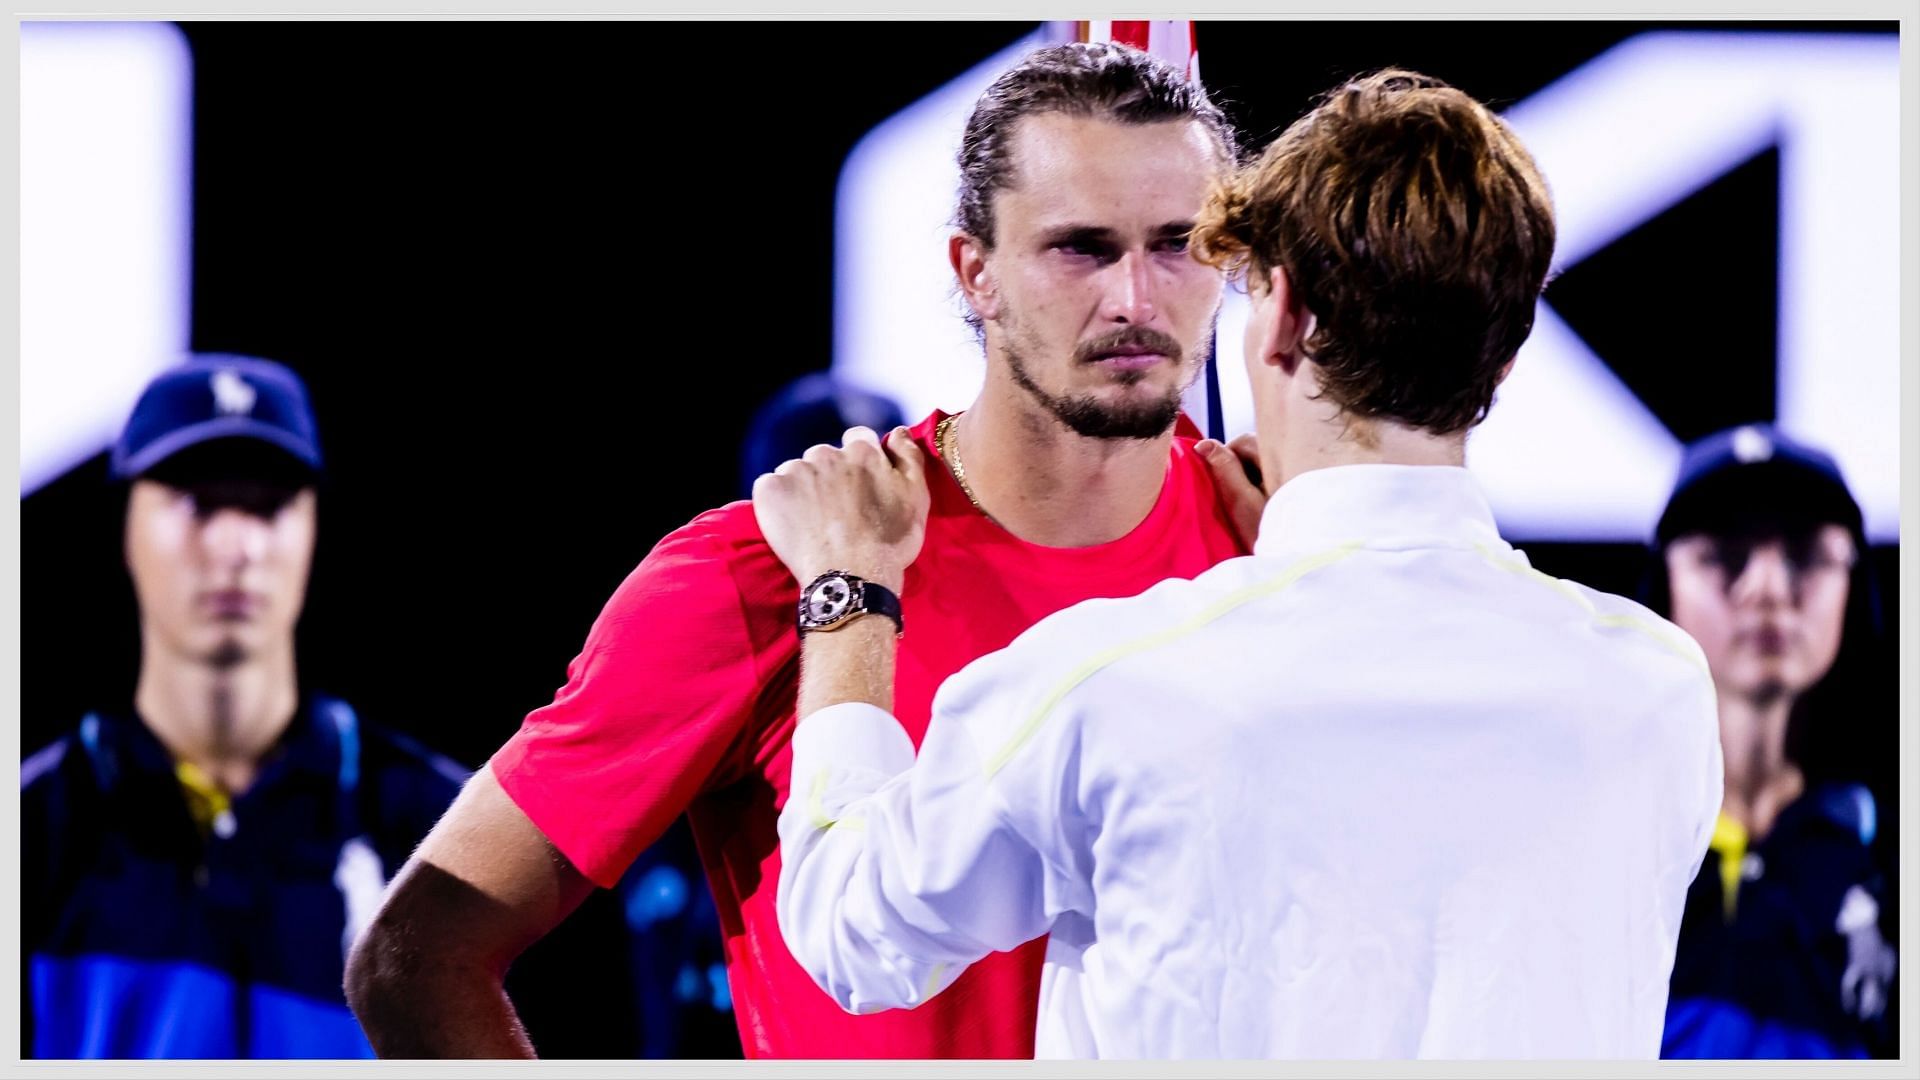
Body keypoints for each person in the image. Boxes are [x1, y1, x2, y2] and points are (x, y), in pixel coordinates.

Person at [755, 69, 1723, 1058]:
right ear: (1508, 354)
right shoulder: (1659, 692)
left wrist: (850, 588)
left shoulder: (1111, 684)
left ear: (1286, 314)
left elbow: (849, 931)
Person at [345, 41, 1254, 1059]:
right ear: (976, 273)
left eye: (1179, 243)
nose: (1136, 299)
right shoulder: (765, 571)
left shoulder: (1275, 553)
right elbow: (417, 955)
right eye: (1081, 247)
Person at [22, 355, 467, 1058]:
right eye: (197, 502)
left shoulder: (444, 832)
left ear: (314, 527)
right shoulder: (30, 836)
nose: (237, 546)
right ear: (125, 526)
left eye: (268, 504)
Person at [1649, 424, 1898, 1058]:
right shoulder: (1596, 830)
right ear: (1663, 584)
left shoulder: (1892, 842)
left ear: (1854, 584)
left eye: (1805, 554)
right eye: (1724, 554)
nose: (1766, 589)